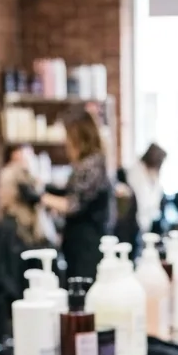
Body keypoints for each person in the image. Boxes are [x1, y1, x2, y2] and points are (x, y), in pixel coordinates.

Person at [43, 111, 113, 280]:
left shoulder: (92, 165)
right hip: (79, 244)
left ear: (79, 137)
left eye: (68, 136)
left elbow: (73, 204)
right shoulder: (86, 164)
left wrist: (40, 197)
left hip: (87, 246)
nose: (65, 142)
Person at [0, 142, 42, 244]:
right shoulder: (12, 173)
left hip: (22, 224)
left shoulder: (25, 174)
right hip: (18, 225)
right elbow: (29, 195)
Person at [127, 143, 167, 235]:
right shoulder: (136, 174)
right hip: (134, 224)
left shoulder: (154, 177)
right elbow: (143, 201)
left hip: (146, 223)